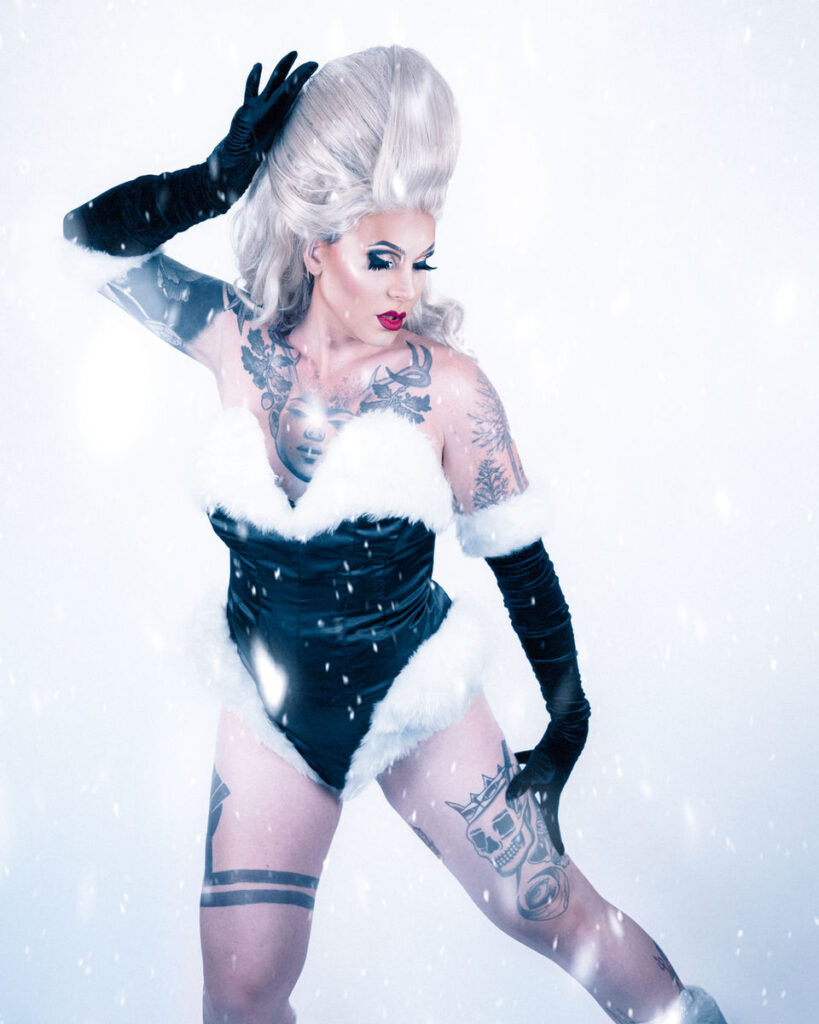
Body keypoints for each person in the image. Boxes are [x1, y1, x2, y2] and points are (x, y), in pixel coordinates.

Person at [63, 46, 728, 1024]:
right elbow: (90, 242)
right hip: (270, 706)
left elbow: (521, 564)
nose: (405, 288)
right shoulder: (233, 338)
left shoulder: (449, 389)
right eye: (381, 258)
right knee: (239, 993)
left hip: (416, 695)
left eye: (421, 259)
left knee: (556, 914)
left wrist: (568, 719)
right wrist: (210, 184)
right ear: (313, 243)